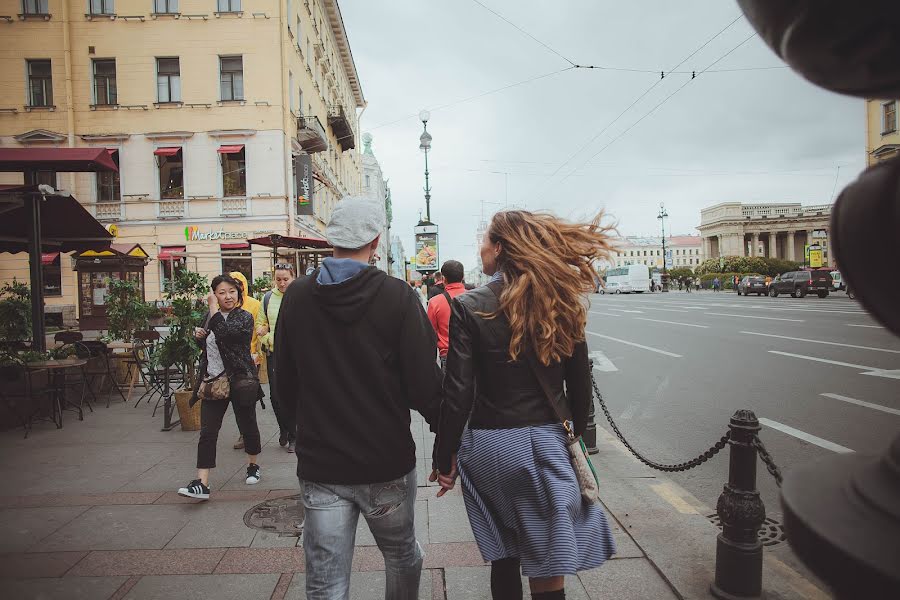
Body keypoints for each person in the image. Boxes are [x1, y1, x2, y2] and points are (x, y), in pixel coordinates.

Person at [433, 210, 616, 600]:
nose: (480, 247)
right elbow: (580, 387)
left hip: (487, 448)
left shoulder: (470, 305)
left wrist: (444, 455)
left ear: (499, 248)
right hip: (545, 443)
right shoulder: (562, 301)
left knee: (504, 550)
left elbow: (459, 390)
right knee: (548, 560)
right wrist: (575, 438)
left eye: (484, 239)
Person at [275, 195, 443, 599]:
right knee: (402, 555)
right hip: (385, 461)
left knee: (325, 581)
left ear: (332, 238)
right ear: (376, 239)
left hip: (322, 465)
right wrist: (448, 441)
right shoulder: (398, 296)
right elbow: (424, 384)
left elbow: (282, 378)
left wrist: (293, 432)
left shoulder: (297, 296)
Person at [178, 274, 264, 501]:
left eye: (231, 291)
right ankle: (202, 483)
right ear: (215, 294)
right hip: (214, 382)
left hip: (239, 380)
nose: (227, 296)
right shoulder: (210, 317)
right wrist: (200, 337)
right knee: (207, 432)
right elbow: (210, 345)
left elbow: (226, 335)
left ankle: (253, 465)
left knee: (248, 426)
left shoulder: (244, 317)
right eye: (221, 292)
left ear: (239, 293)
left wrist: (213, 310)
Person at [257, 263, 296, 453]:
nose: (282, 283)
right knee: (275, 395)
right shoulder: (267, 298)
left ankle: (294, 436)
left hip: (296, 354)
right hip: (274, 352)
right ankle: (284, 429)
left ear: (293, 278)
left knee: (294, 394)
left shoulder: (300, 296)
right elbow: (261, 324)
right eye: (278, 279)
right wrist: (264, 335)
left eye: (286, 279)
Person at [229, 271, 261, 451]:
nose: (237, 288)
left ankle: (250, 434)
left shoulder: (254, 305)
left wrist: (256, 353)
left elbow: (257, 330)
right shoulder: (225, 305)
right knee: (236, 399)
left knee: (248, 398)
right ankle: (243, 433)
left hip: (250, 359)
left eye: (239, 284)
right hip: (230, 361)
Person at [427, 260, 468, 371]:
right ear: (463, 276)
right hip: (472, 355)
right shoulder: (475, 298)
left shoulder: (434, 302)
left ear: (443, 279)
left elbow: (430, 334)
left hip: (448, 357)